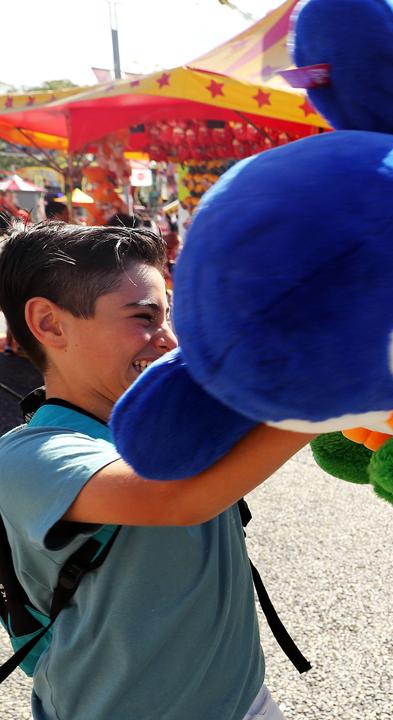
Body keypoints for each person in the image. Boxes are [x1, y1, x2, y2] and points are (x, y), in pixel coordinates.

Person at [0, 222, 314, 720]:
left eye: (169, 316)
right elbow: (172, 500)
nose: (168, 339)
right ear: (50, 324)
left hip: (244, 702)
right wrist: (329, 402)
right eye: (144, 317)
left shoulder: (175, 416)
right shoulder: (29, 455)